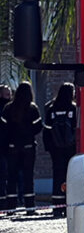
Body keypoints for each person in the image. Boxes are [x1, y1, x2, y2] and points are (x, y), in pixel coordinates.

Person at [2, 82, 44, 215]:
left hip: (12, 147)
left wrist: (10, 141)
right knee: (28, 177)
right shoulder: (32, 108)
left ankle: (11, 208)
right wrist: (28, 133)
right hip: (28, 147)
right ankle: (30, 207)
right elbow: (38, 127)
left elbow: (3, 128)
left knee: (12, 177)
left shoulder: (8, 108)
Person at [43, 82, 77, 219]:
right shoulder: (73, 109)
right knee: (71, 176)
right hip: (71, 148)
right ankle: (70, 204)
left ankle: (57, 205)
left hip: (55, 149)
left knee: (58, 176)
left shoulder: (51, 109)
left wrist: (49, 148)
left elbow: (46, 130)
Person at [0, 85, 11, 214]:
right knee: (4, 175)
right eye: (7, 95)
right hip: (5, 147)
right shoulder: (7, 109)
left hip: (5, 146)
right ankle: (4, 204)